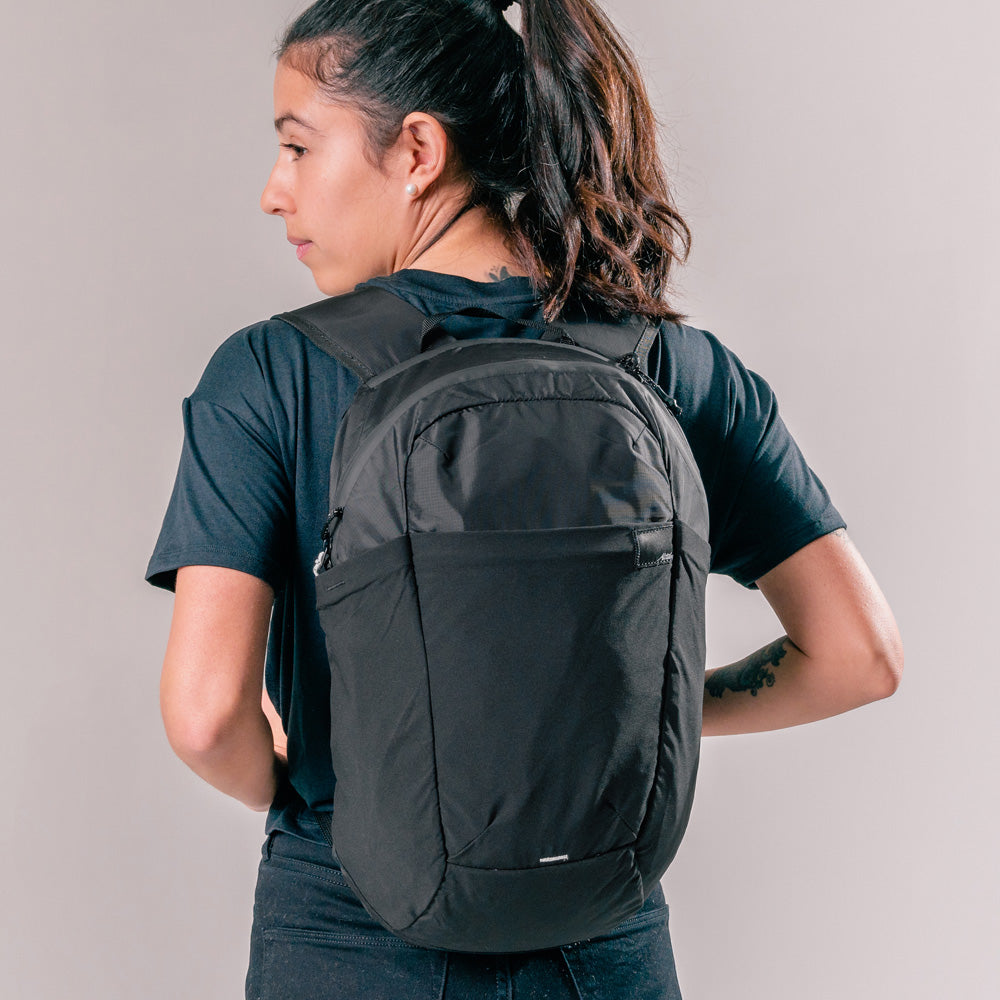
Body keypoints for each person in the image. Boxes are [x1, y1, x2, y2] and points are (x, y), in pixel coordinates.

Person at [145, 1, 904, 997]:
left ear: (416, 149)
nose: (272, 192)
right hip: (600, 939)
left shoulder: (271, 374)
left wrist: (308, 795)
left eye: (296, 147)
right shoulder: (674, 367)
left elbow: (206, 716)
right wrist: (643, 716)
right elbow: (858, 656)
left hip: (350, 931)